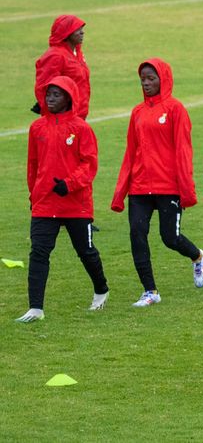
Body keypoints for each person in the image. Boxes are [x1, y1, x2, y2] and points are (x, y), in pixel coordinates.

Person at [111, 58, 203, 306]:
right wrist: (120, 194)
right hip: (140, 186)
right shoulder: (137, 112)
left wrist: (187, 191)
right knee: (137, 234)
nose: (146, 82)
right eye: (143, 78)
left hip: (168, 187)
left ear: (163, 79)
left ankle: (197, 257)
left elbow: (183, 152)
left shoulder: (175, 110)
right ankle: (150, 291)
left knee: (169, 237)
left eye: (151, 78)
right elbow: (130, 153)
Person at [17, 76, 109, 322]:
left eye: (56, 94)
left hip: (76, 204)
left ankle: (101, 290)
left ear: (68, 98)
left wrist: (68, 185)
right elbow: (32, 166)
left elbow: (89, 165)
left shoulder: (81, 128)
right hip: (44, 204)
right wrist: (33, 195)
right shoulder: (37, 128)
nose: (50, 98)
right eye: (48, 94)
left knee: (86, 251)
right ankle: (35, 308)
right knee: (38, 252)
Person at [34, 15, 90, 119]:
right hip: (62, 120)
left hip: (78, 115)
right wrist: (52, 118)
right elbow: (43, 88)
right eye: (77, 30)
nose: (82, 32)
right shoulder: (55, 56)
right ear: (66, 33)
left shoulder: (76, 52)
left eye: (82, 29)